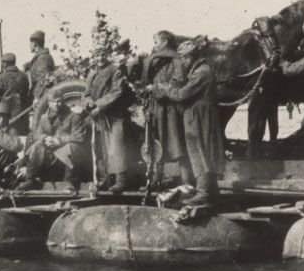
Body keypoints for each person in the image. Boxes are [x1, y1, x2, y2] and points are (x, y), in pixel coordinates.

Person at [150, 40, 224, 205]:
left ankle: (204, 192)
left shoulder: (201, 72)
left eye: (184, 57)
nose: (182, 61)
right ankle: (209, 190)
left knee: (201, 151)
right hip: (195, 116)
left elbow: (182, 94)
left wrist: (164, 88)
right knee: (200, 151)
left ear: (192, 56)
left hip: (200, 117)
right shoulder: (198, 70)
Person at [141, 30, 193, 185]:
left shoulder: (176, 61)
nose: (154, 45)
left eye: (156, 42)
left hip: (170, 107)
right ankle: (157, 178)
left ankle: (187, 180)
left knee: (176, 143)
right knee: (155, 142)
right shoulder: (154, 61)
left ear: (164, 42)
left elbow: (178, 81)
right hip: (156, 106)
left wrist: (156, 88)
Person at [86, 47, 135, 194]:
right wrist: (88, 102)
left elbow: (117, 92)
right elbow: (86, 93)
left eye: (102, 55)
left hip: (115, 115)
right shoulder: (92, 74)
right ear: (93, 57)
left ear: (107, 56)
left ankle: (121, 181)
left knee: (116, 147)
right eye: (97, 55)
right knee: (103, 149)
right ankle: (106, 179)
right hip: (100, 117)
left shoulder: (115, 71)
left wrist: (98, 105)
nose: (100, 58)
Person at [20, 96, 90, 193]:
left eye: (59, 101)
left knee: (70, 147)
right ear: (48, 103)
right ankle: (30, 180)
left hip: (73, 151)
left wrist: (60, 140)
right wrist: (45, 138)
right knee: (36, 147)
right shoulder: (44, 118)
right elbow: (37, 135)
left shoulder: (73, 116)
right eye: (53, 101)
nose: (57, 104)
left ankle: (70, 182)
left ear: (63, 102)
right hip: (53, 151)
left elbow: (79, 136)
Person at [0, 52, 31, 135]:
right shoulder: (24, 76)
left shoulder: (0, 77)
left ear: (5, 63)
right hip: (22, 114)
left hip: (6, 115)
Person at [25, 30, 56, 102]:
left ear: (34, 43)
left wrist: (37, 97)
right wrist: (26, 65)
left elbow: (43, 79)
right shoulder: (43, 56)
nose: (29, 45)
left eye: (30, 43)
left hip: (42, 96)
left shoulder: (42, 58)